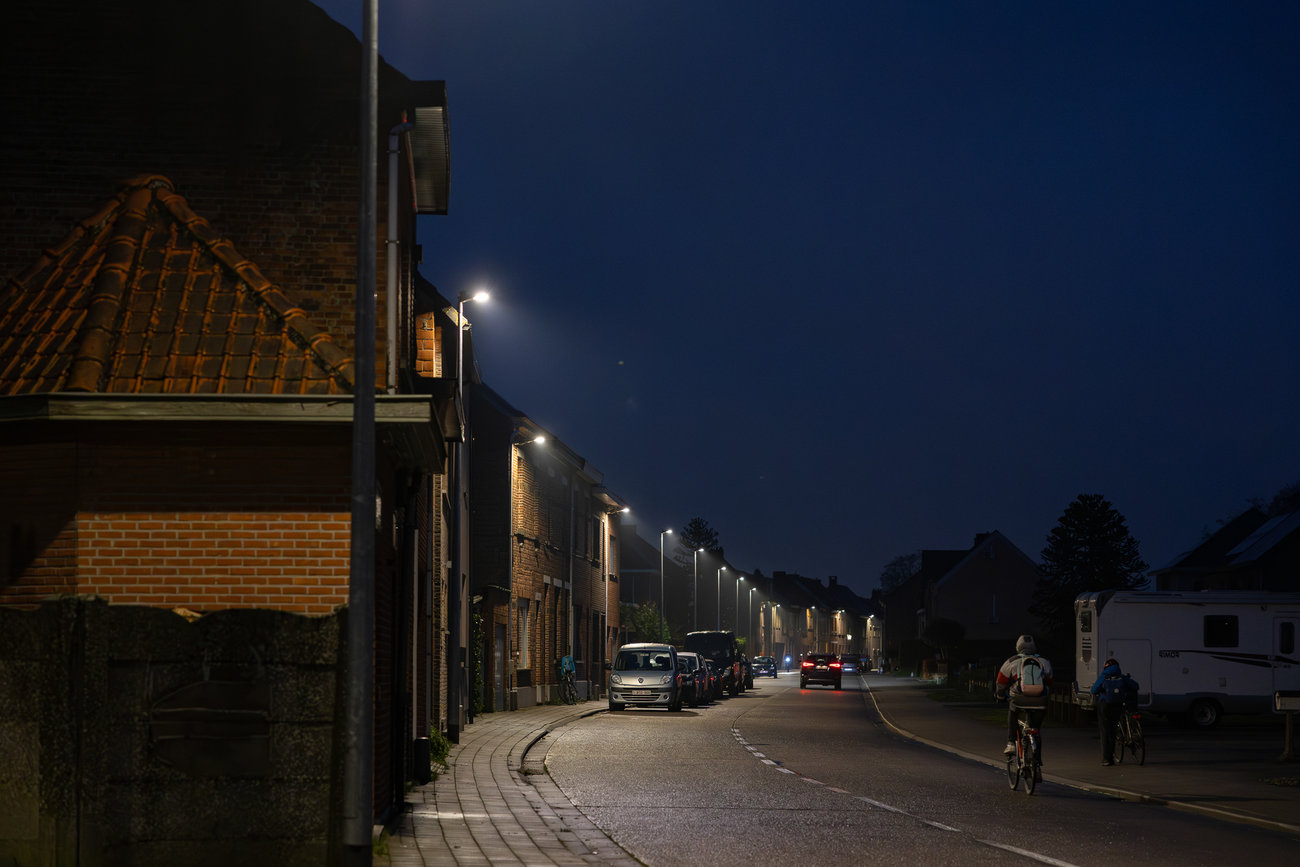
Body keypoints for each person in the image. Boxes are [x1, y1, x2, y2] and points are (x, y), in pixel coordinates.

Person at [995, 634, 1054, 762]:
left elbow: (1001, 682)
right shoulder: (1044, 661)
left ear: (1018, 647)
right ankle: (1037, 761)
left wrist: (1000, 695)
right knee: (1035, 729)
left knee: (1013, 710)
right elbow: (1049, 681)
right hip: (1040, 700)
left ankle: (1011, 743)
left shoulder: (1012, 661)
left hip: (1020, 699)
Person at [1091, 657, 1140, 765]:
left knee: (1105, 731)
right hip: (1117, 705)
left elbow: (1094, 690)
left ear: (1105, 667)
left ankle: (1106, 759)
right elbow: (1135, 686)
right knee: (1113, 731)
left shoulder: (1104, 676)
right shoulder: (1122, 677)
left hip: (1104, 706)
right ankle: (1111, 757)